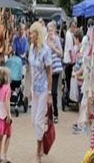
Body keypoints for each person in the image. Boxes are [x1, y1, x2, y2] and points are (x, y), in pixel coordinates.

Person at [28, 21, 53, 163]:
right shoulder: (31, 48)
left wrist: (49, 93)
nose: (29, 35)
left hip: (43, 89)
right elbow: (31, 69)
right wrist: (30, 89)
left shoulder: (46, 50)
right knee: (34, 120)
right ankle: (41, 143)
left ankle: (38, 152)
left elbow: (49, 73)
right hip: (34, 89)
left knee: (38, 121)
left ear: (37, 34)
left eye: (32, 32)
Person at [0, 68, 13, 163]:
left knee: (0, 137)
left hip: (0, 114)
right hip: (5, 115)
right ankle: (5, 155)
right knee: (8, 135)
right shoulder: (8, 87)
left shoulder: (0, 86)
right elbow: (7, 102)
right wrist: (9, 115)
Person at [46, 21, 63, 124]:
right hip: (48, 69)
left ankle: (55, 114)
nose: (50, 32)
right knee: (47, 93)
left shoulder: (56, 39)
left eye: (51, 29)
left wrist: (53, 47)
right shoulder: (45, 40)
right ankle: (49, 114)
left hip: (55, 69)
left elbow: (61, 54)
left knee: (54, 92)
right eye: (48, 30)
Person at [63, 21, 77, 105]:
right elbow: (70, 49)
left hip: (68, 60)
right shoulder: (68, 36)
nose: (75, 29)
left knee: (68, 79)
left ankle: (69, 94)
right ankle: (69, 95)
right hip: (68, 60)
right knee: (68, 79)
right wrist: (73, 60)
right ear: (71, 27)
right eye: (74, 27)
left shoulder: (69, 35)